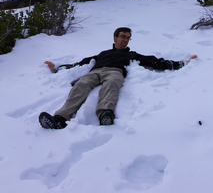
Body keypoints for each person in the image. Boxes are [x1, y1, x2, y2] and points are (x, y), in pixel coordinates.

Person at [39, 27, 197, 129]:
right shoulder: (102, 54)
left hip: (115, 71)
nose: (125, 40)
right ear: (115, 38)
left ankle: (105, 114)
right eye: (123, 36)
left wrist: (181, 63)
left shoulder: (132, 54)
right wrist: (58, 68)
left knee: (113, 83)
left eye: (128, 38)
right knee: (81, 84)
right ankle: (59, 118)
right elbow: (81, 64)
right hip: (96, 71)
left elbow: (154, 61)